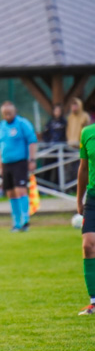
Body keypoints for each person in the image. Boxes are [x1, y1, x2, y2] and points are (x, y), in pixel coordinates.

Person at [0, 102, 37, 232]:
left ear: (15, 111)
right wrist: (0, 164)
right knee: (10, 192)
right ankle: (16, 223)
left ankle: (26, 221)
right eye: (5, 113)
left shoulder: (22, 123)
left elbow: (32, 141)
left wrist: (32, 159)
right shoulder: (0, 126)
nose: (7, 115)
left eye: (9, 113)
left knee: (20, 190)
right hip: (6, 163)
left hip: (20, 162)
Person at [76, 122, 95, 315]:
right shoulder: (87, 132)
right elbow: (83, 169)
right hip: (93, 196)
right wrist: (79, 198)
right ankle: (94, 301)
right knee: (88, 244)